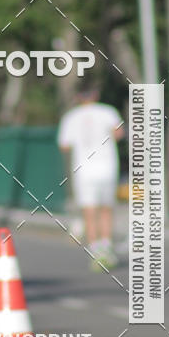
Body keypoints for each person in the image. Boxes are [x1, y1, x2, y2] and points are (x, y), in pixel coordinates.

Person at [57, 85, 124, 269]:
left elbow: (64, 145)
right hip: (107, 165)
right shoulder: (108, 111)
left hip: (83, 168)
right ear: (95, 94)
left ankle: (95, 250)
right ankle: (106, 246)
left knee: (89, 210)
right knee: (106, 208)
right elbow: (118, 133)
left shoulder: (71, 117)